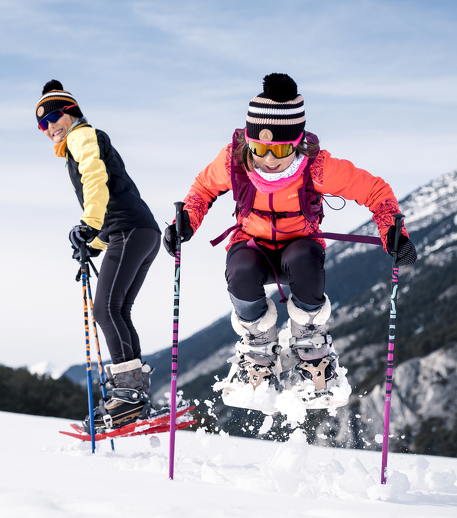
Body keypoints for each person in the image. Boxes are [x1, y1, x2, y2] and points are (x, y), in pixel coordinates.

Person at [163, 73, 416, 406]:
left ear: (297, 142)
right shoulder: (234, 161)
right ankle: (258, 351)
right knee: (240, 272)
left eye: (281, 149)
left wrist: (393, 232)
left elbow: (375, 190)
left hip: (299, 244)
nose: (269, 159)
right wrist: (185, 221)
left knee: (304, 261)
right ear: (249, 142)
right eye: (260, 148)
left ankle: (312, 350)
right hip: (252, 245)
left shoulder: (316, 167)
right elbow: (203, 189)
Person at [36, 80, 162, 429]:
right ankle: (134, 398)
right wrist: (93, 243)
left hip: (129, 231)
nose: (49, 127)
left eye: (54, 117)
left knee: (105, 309)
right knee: (117, 309)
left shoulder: (81, 136)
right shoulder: (83, 139)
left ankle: (127, 397)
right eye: (42, 124)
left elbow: (95, 178)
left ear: (71, 113)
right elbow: (113, 192)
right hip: (141, 231)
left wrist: (88, 225)